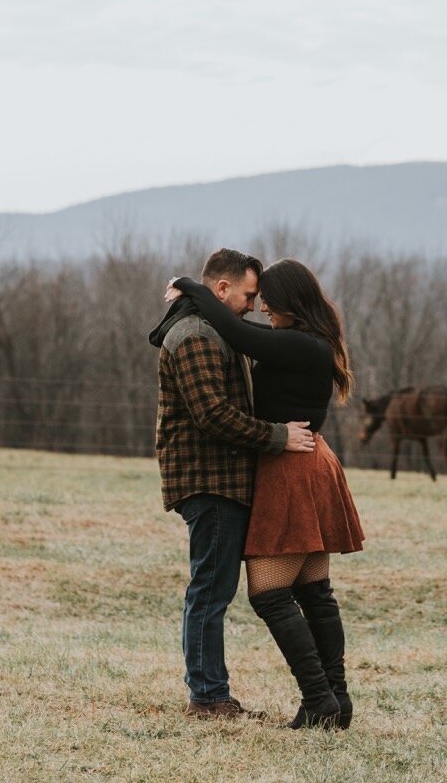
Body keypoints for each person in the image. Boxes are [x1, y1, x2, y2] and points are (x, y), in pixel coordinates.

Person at [167, 259, 364, 729]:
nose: (262, 310)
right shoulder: (311, 339)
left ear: (288, 303)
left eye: (268, 303)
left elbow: (241, 335)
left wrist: (189, 287)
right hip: (310, 461)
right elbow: (249, 328)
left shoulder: (297, 343)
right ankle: (335, 700)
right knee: (315, 592)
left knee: (269, 593)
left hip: (292, 468)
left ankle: (319, 698)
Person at [148, 248, 316, 720]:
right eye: (246, 295)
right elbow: (214, 415)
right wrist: (280, 437)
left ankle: (211, 692)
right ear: (221, 289)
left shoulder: (214, 331)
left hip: (223, 478)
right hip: (210, 480)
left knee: (213, 588)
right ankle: (207, 697)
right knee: (210, 590)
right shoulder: (197, 335)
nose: (251, 305)